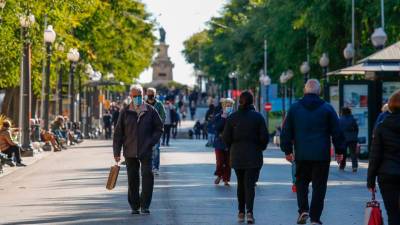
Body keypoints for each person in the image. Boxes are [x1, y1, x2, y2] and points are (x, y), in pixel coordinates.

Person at [280, 79, 345, 225]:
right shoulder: (327, 108)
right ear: (319, 91)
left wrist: (287, 150)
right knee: (319, 186)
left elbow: (286, 131)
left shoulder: (295, 108)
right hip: (321, 155)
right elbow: (337, 131)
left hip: (302, 154)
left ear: (305, 90)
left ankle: (303, 209)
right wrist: (340, 151)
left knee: (301, 183)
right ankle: (315, 218)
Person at [113, 84, 163, 215]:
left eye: (139, 96)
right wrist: (116, 152)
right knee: (132, 179)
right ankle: (134, 206)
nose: (137, 98)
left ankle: (145, 205)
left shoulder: (151, 110)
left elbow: (159, 128)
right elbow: (118, 133)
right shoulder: (125, 112)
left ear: (143, 95)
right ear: (130, 96)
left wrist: (151, 142)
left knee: (147, 175)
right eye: (135, 96)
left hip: (145, 150)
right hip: (130, 150)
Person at [223, 91, 269, 224]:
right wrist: (260, 148)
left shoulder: (232, 118)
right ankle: (250, 212)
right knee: (249, 185)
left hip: (237, 155)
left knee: (240, 184)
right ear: (252, 102)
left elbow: (226, 137)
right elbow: (264, 137)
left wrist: (232, 147)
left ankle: (240, 212)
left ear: (240, 102)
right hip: (253, 155)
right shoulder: (258, 117)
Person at [367, 90, 400, 225]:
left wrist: (370, 180)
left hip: (387, 174)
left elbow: (375, 155)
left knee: (392, 213)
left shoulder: (381, 127)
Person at [213, 98, 234, 186]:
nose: (228, 107)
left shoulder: (234, 116)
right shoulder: (218, 116)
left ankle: (226, 179)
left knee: (228, 163)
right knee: (220, 161)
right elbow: (216, 127)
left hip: (229, 143)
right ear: (223, 106)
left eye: (230, 105)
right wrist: (223, 118)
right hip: (219, 142)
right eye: (227, 105)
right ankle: (219, 175)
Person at [146, 87, 166, 175]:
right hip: (145, 131)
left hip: (156, 131)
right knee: (146, 149)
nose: (150, 95)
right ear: (146, 94)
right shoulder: (143, 104)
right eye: (149, 93)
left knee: (156, 149)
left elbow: (163, 116)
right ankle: (148, 167)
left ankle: (155, 167)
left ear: (155, 94)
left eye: (152, 94)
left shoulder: (159, 104)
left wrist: (158, 126)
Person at [338, 107, 359, 172]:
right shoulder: (353, 119)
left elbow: (338, 129)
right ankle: (354, 167)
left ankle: (342, 166)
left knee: (343, 153)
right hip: (352, 138)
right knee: (353, 153)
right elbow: (356, 128)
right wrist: (355, 135)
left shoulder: (340, 119)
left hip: (343, 138)